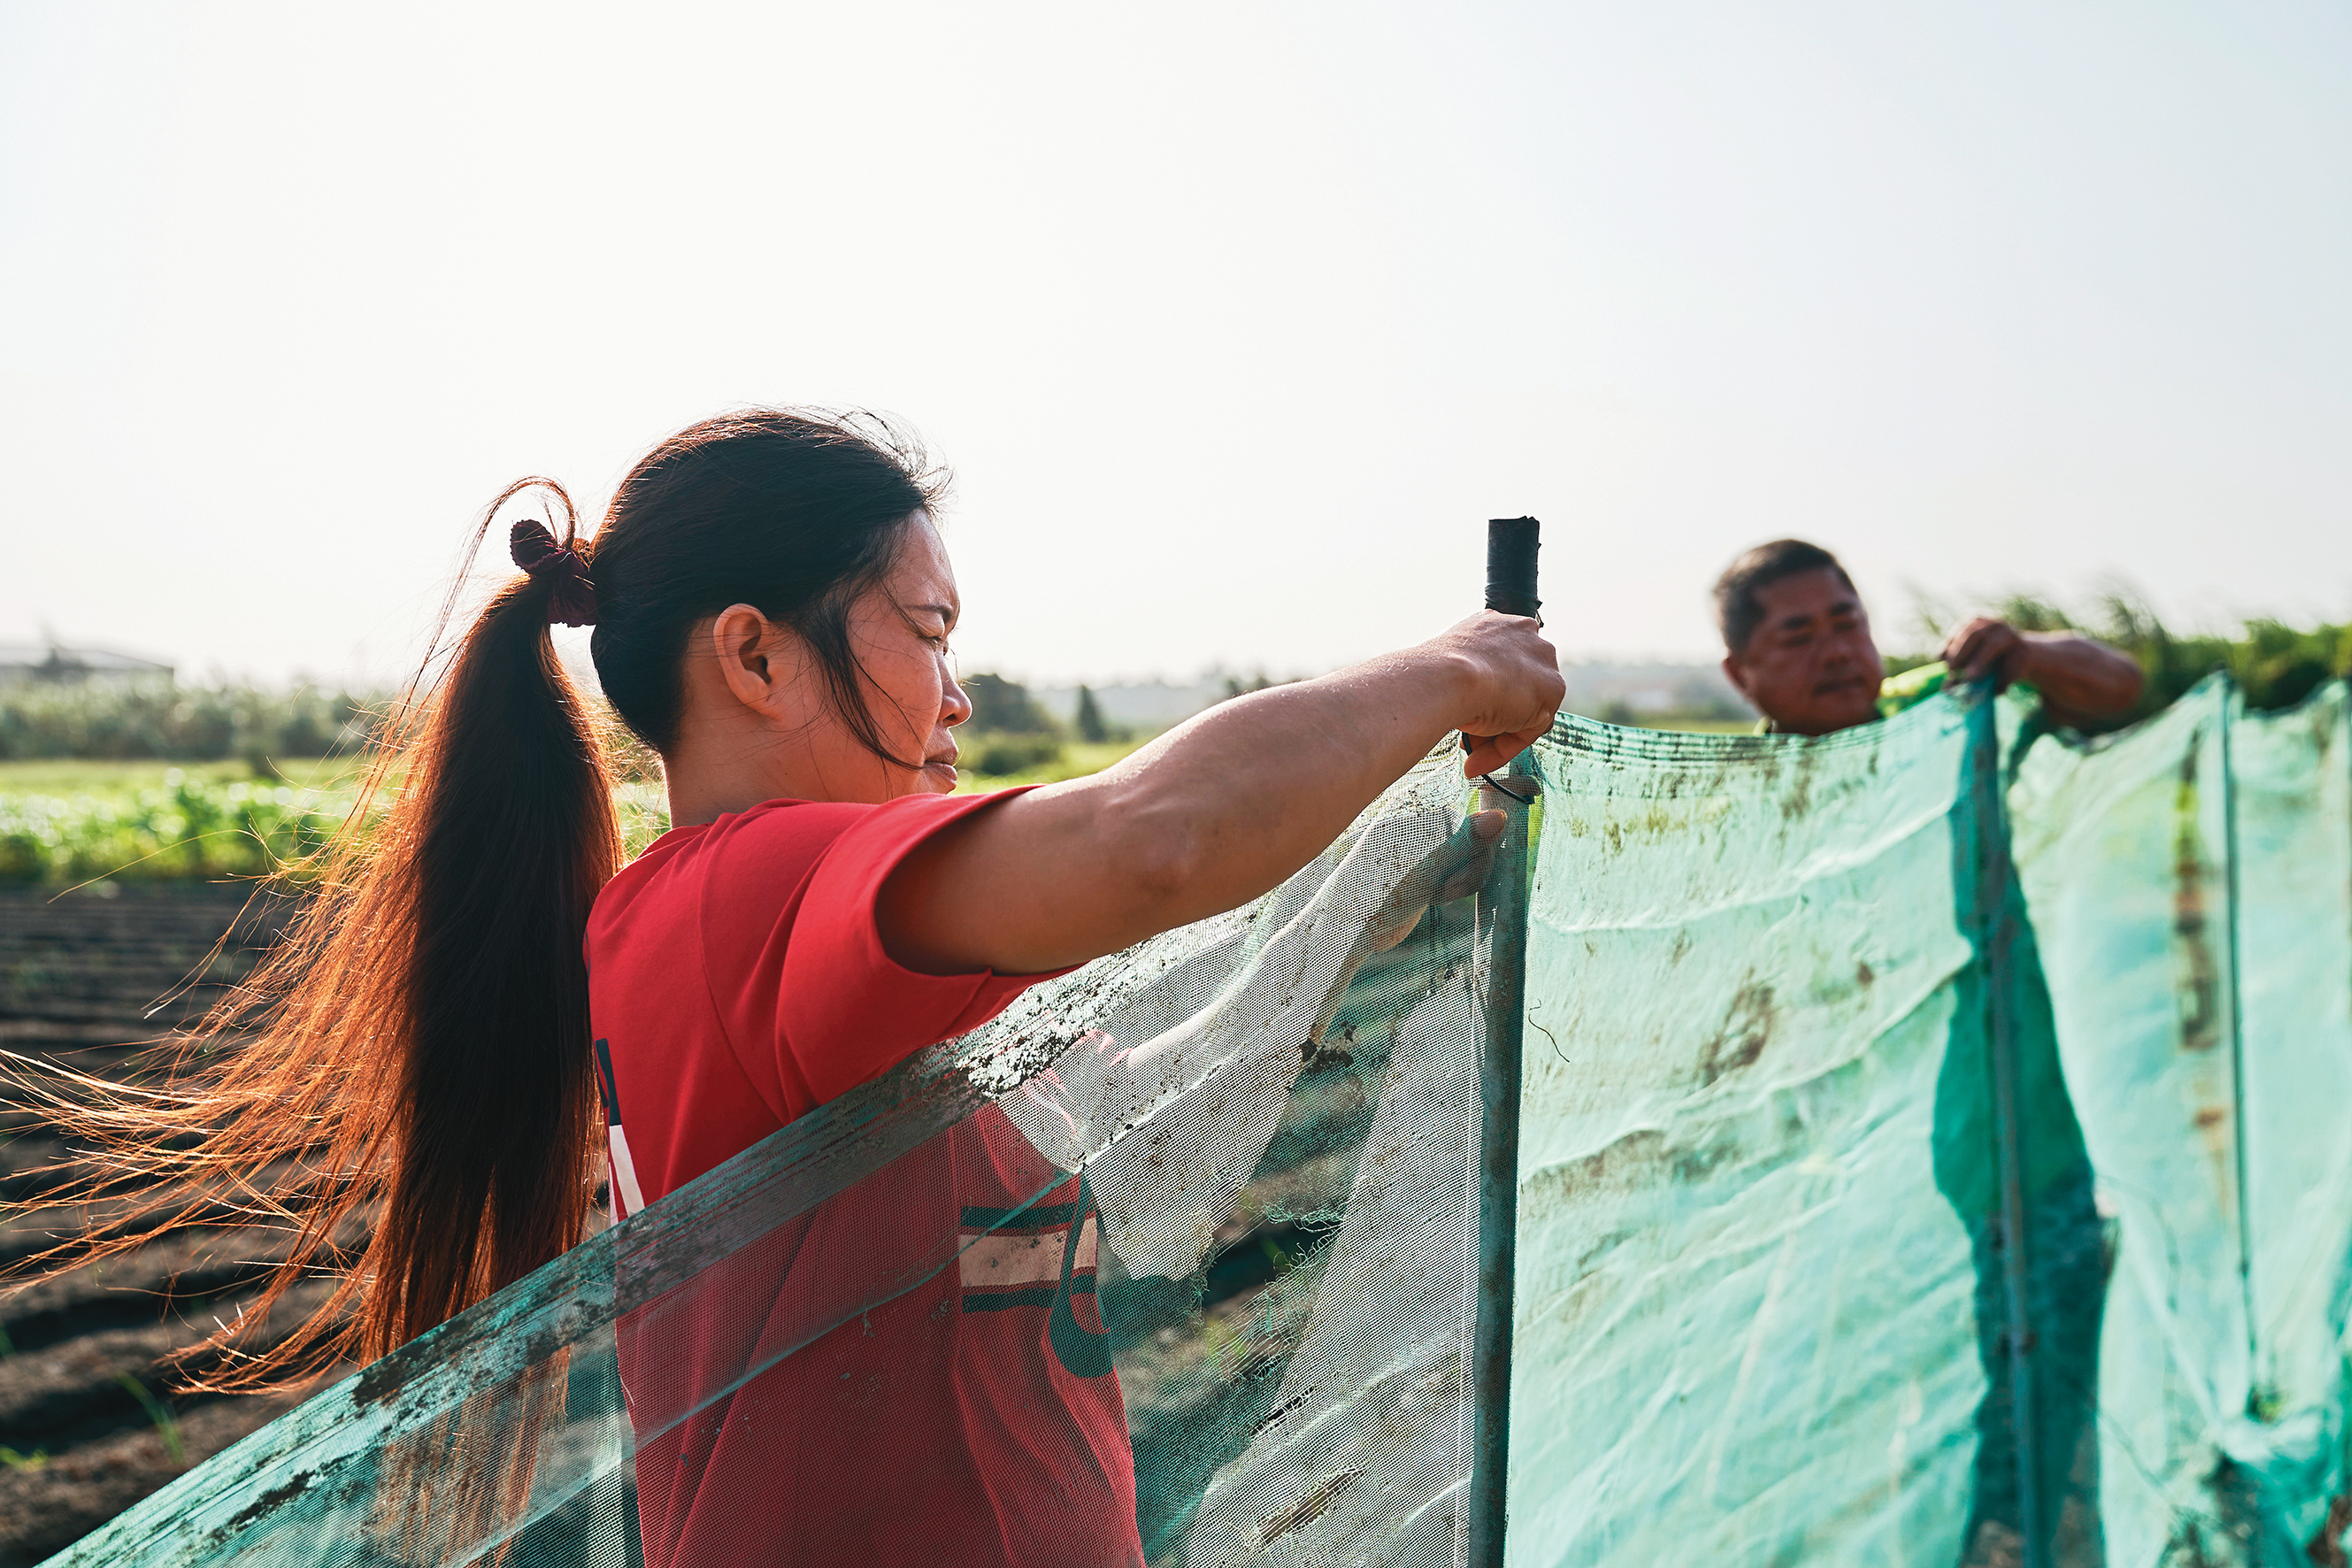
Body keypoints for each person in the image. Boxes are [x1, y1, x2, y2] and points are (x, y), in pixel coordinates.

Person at [19, 409, 1562, 1566]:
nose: (957, 696)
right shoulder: (740, 896)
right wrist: (1452, 674)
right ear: (753, 657)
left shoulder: (793, 938)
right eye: (927, 631)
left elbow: (1173, 943)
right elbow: (1157, 844)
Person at [1712, 538, 2144, 736]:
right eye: (1799, 637)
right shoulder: (1733, 793)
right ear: (1739, 674)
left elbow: (2122, 687)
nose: (1838, 653)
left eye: (1848, 625)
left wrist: (2029, 656)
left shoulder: (1950, 705)